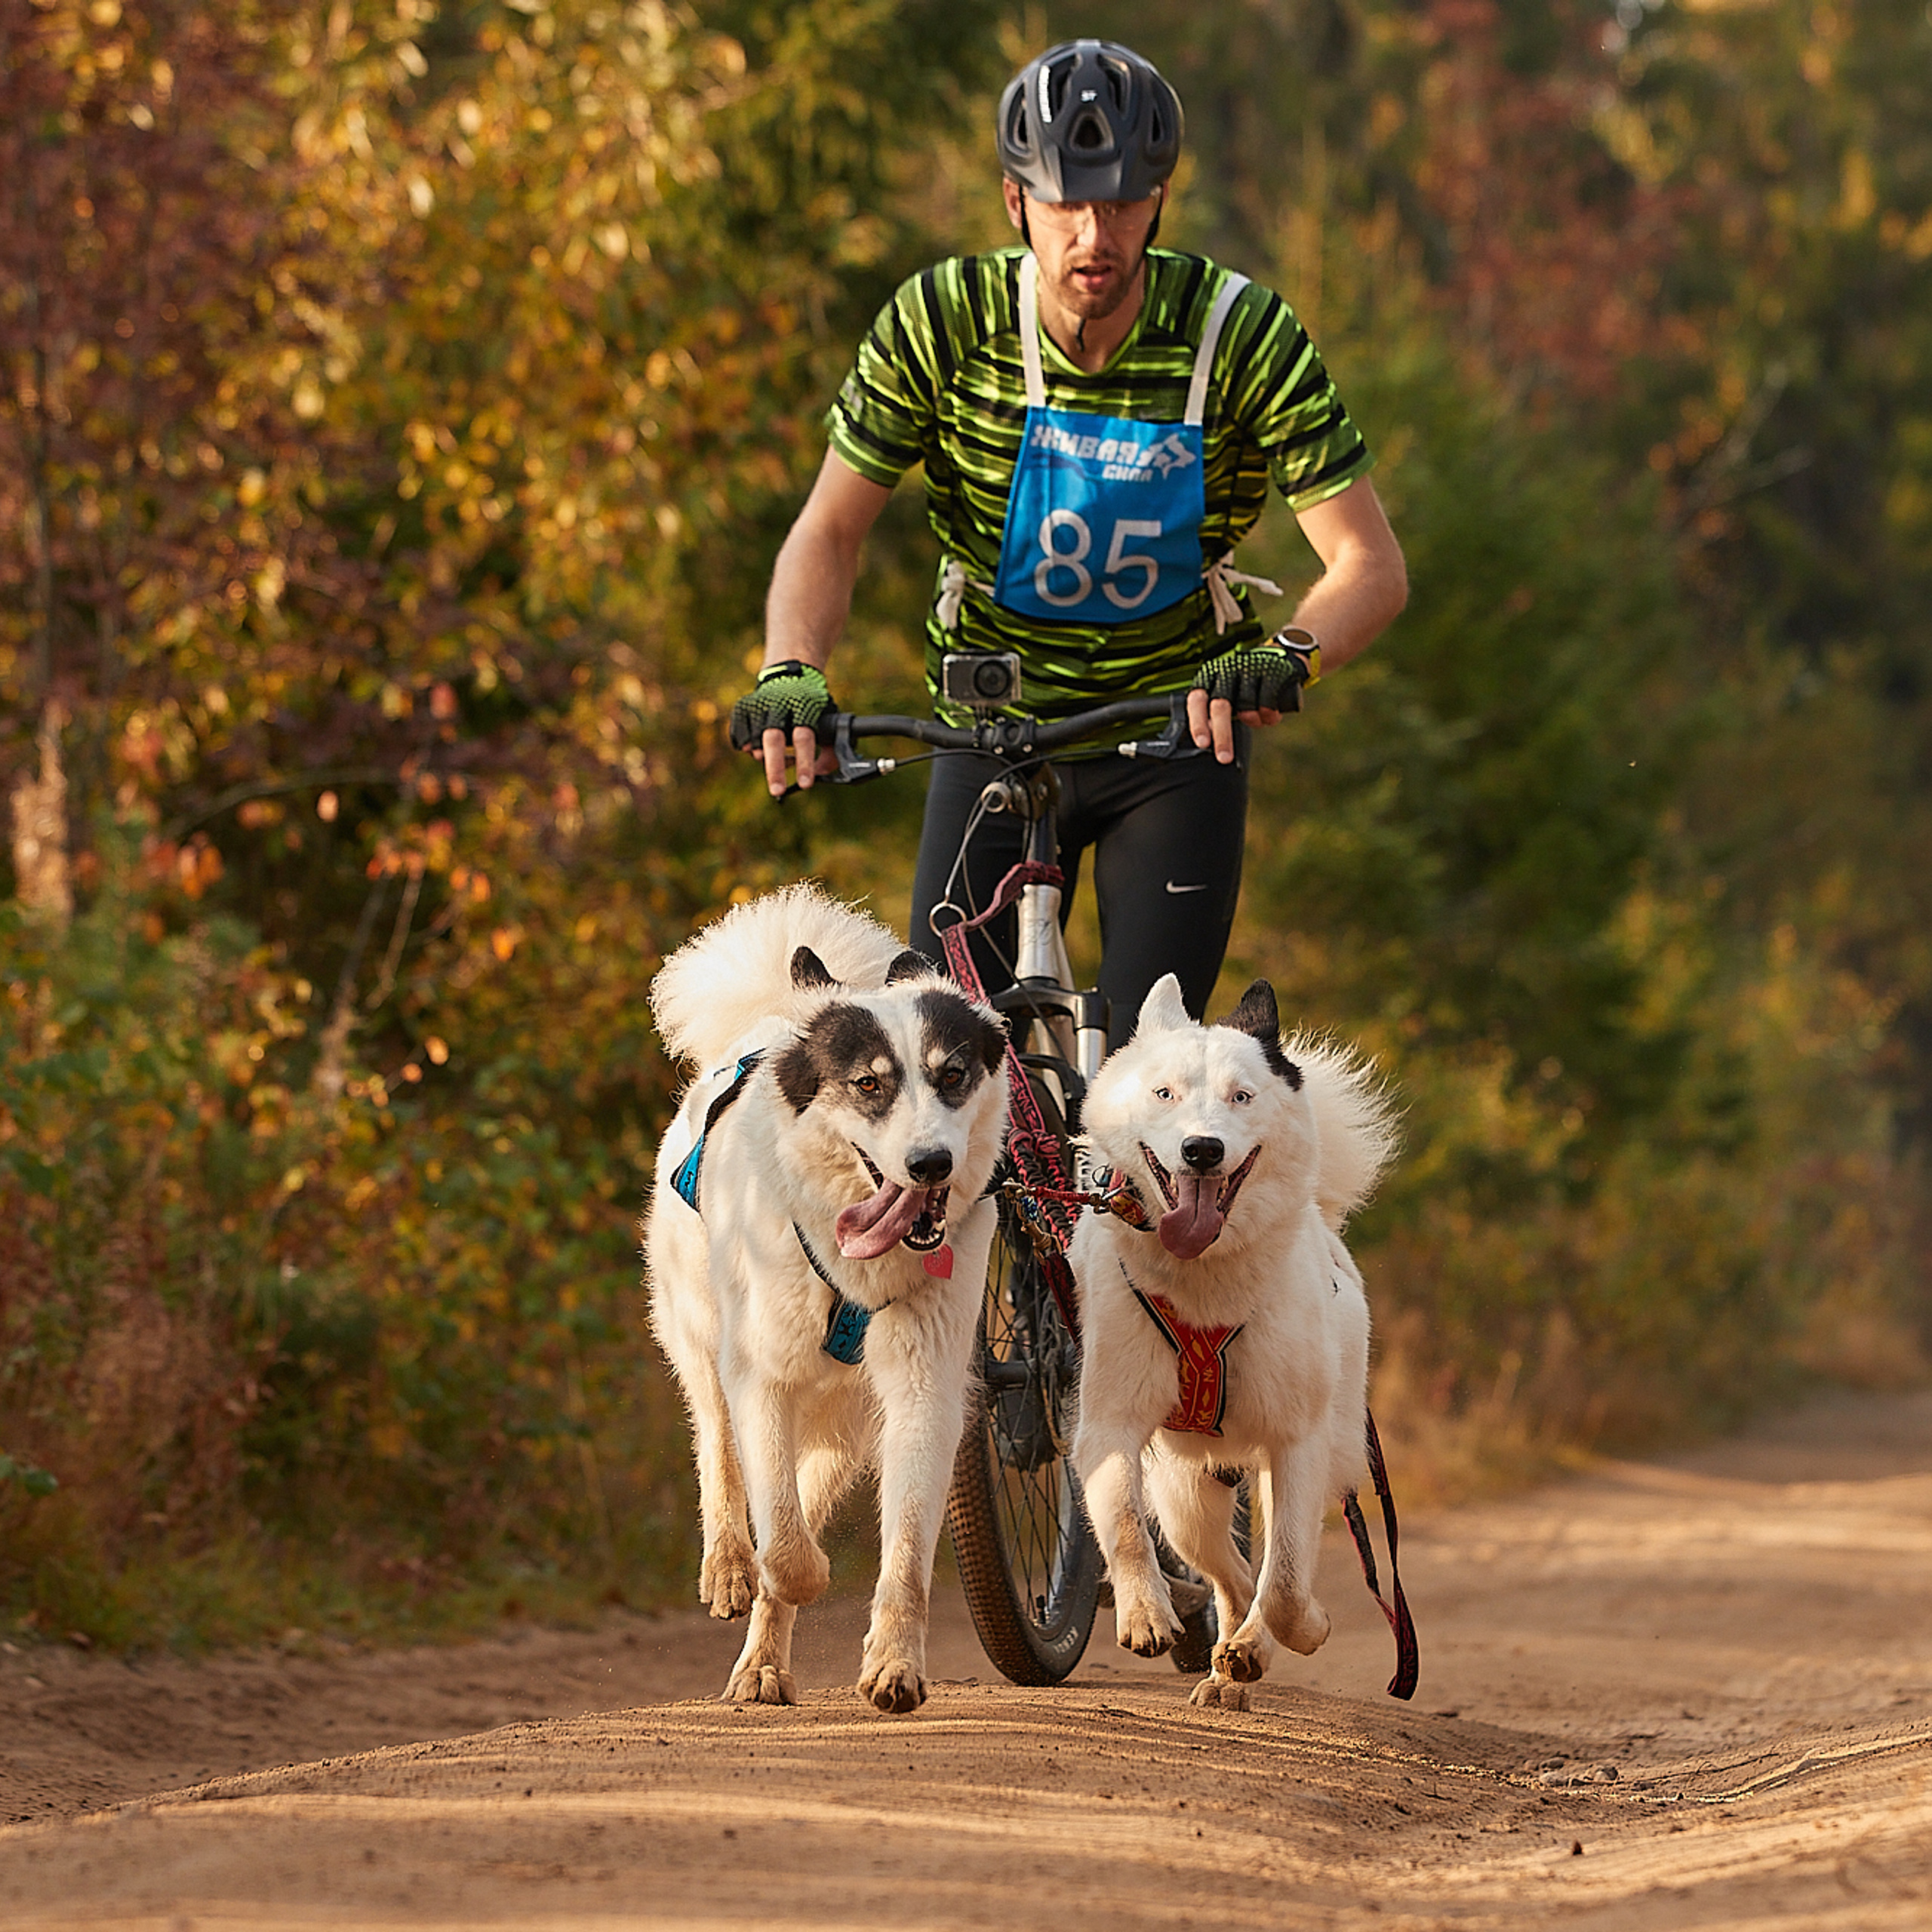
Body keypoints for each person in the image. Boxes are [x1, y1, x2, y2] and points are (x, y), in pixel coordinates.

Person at [730, 38, 1406, 1043]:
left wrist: (1287, 654)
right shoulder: (942, 321)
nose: (1097, 236)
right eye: (1067, 207)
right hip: (989, 730)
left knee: (1145, 1075)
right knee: (943, 1062)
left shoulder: (1241, 334)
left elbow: (1370, 565)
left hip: (1174, 732)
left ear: (1161, 202)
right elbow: (828, 528)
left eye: (1126, 205)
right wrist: (792, 667)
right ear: (1016, 202)